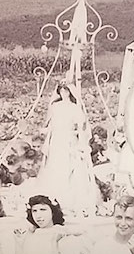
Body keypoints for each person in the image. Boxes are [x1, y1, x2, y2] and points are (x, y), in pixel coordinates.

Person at [39, 83, 99, 217]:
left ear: (70, 93)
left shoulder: (74, 107)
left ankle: (69, 200)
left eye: (66, 91)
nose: (63, 93)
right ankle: (55, 196)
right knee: (55, 167)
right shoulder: (55, 107)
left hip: (69, 139)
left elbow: (80, 126)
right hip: (56, 140)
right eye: (61, 91)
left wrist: (80, 141)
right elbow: (52, 124)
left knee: (70, 167)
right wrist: (45, 131)